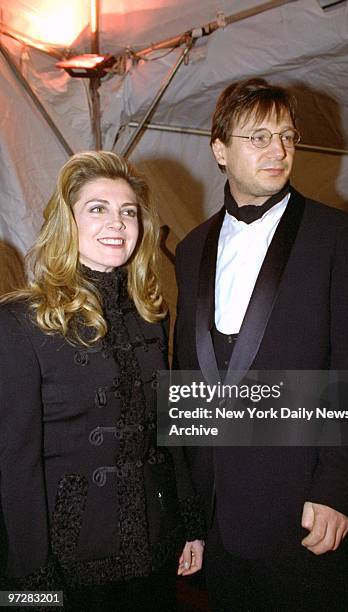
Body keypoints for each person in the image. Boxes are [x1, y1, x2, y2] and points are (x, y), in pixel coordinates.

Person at [174, 78, 348, 611]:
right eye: (260, 137)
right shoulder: (193, 245)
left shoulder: (343, 239)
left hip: (304, 512)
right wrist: (191, 514)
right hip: (218, 523)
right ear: (219, 149)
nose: (279, 150)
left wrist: (338, 489)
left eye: (288, 136)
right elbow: (188, 380)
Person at [0, 151, 204, 611]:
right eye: (98, 208)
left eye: (127, 211)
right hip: (66, 557)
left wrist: (189, 523)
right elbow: (14, 468)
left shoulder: (152, 315)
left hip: (153, 545)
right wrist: (28, 585)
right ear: (66, 222)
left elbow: (170, 431)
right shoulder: (20, 322)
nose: (117, 222)